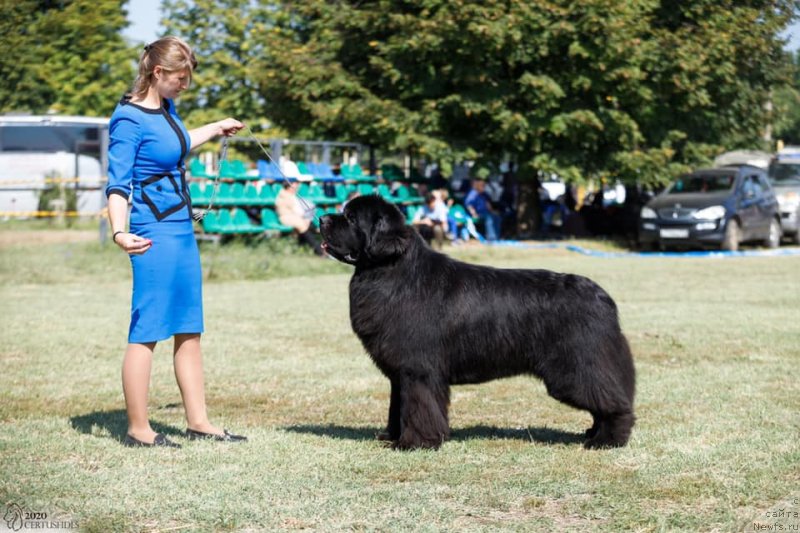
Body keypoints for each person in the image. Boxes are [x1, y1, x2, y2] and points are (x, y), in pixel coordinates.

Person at [106, 36, 247, 448]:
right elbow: (117, 185)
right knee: (147, 329)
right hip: (151, 232)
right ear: (158, 73)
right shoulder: (128, 119)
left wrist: (218, 127)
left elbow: (177, 144)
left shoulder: (167, 109)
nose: (185, 84)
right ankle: (139, 429)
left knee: (189, 328)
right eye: (180, 78)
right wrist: (119, 232)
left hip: (182, 231)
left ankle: (199, 422)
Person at [275, 179, 324, 255]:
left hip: (295, 217)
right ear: (289, 187)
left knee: (309, 225)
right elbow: (297, 211)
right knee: (303, 226)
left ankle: (305, 246)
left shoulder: (291, 195)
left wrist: (306, 218)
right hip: (288, 217)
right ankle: (319, 250)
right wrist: (305, 218)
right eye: (295, 185)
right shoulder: (285, 196)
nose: (297, 187)